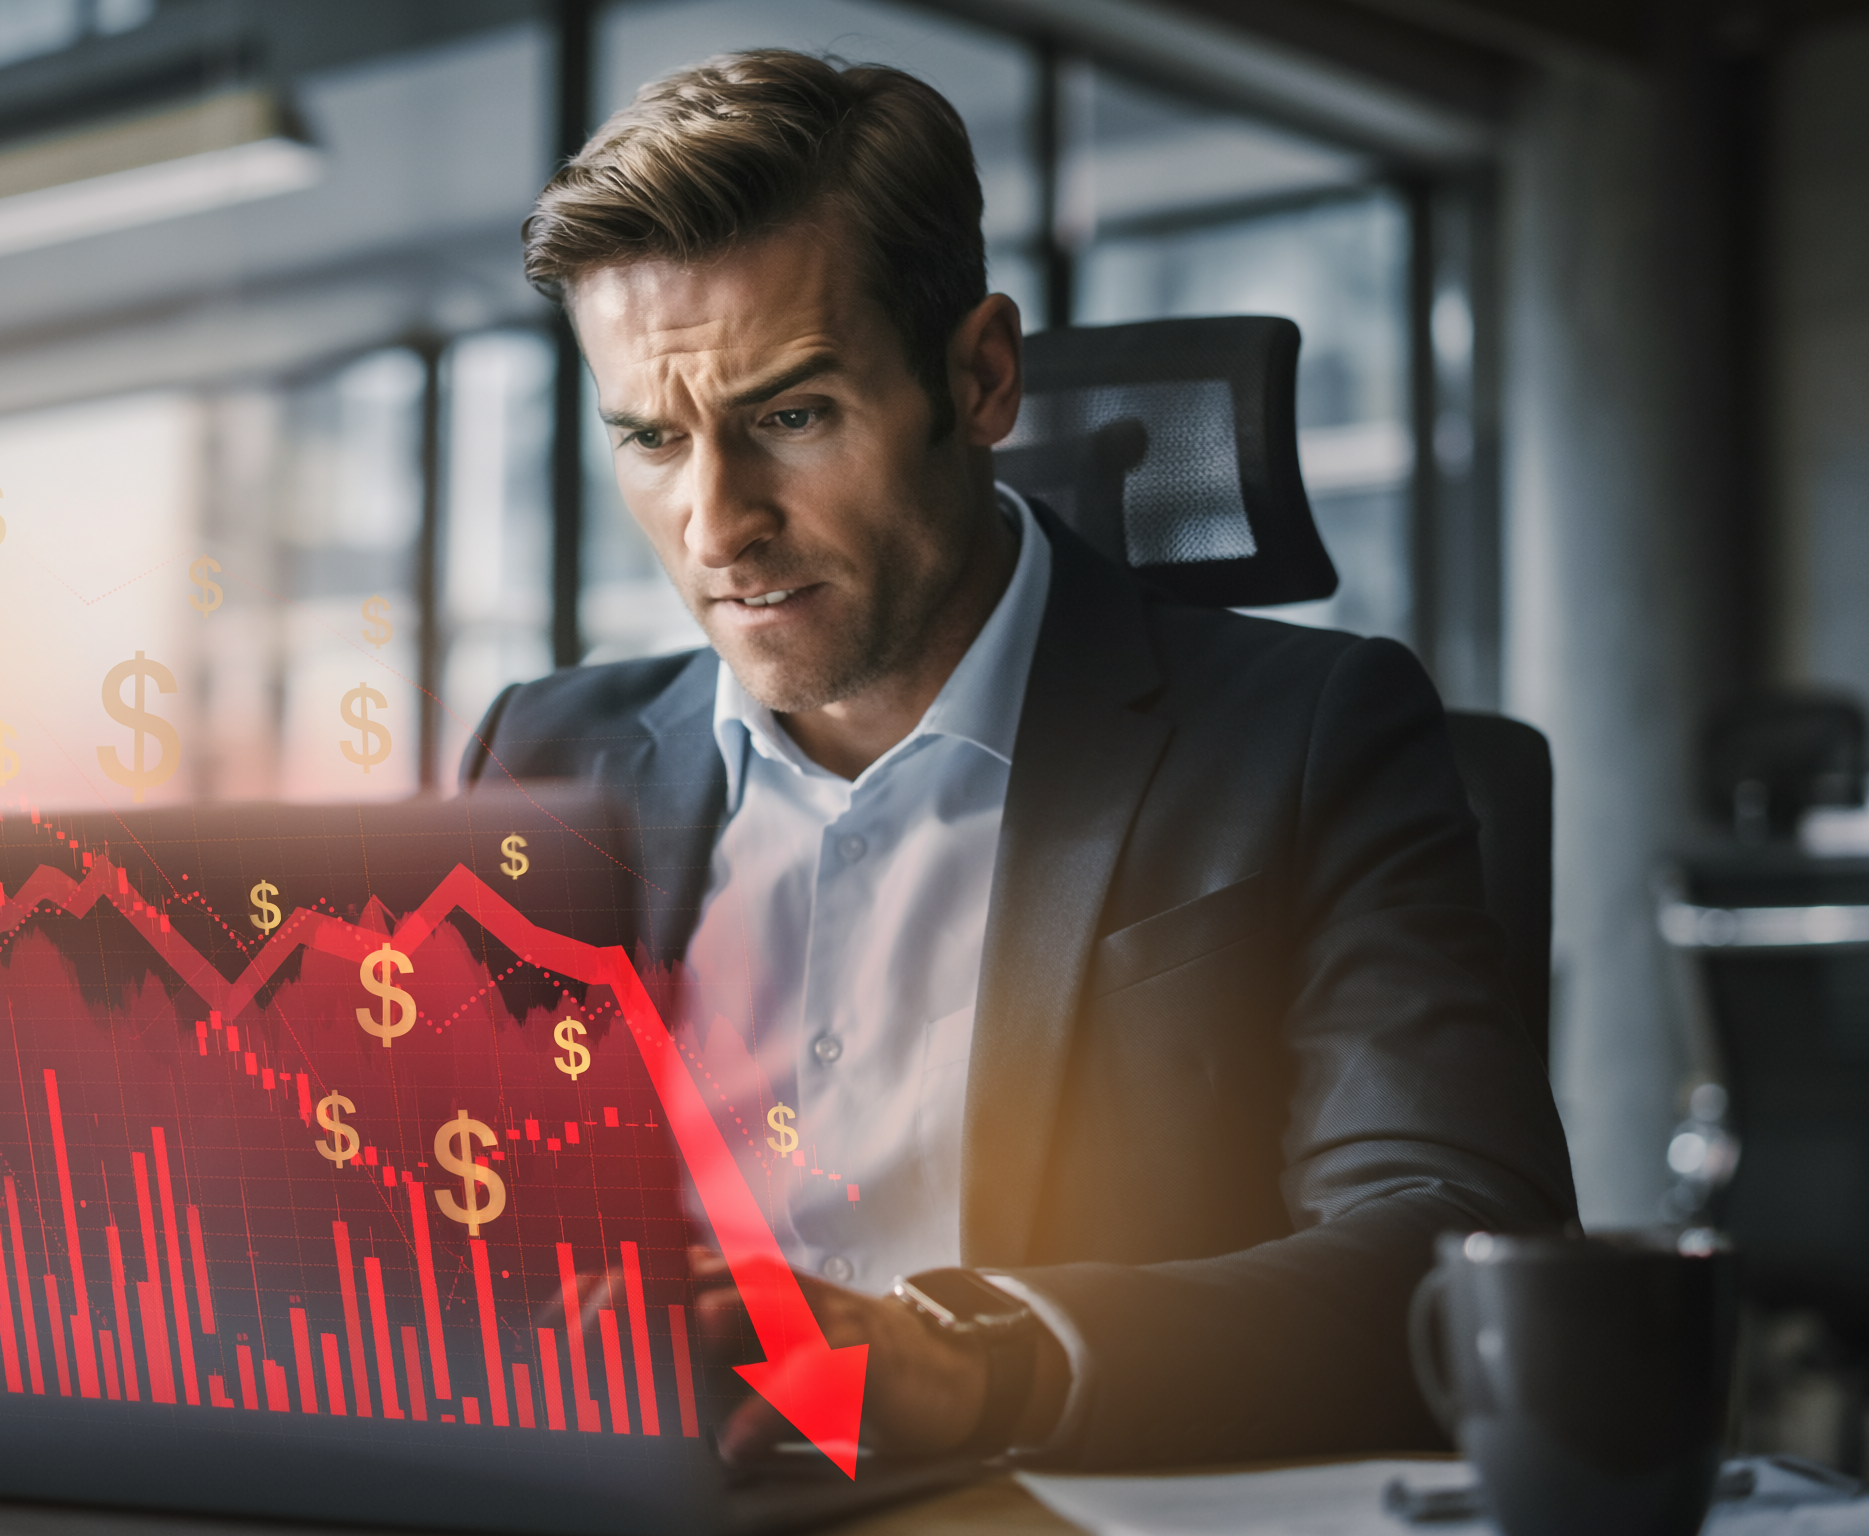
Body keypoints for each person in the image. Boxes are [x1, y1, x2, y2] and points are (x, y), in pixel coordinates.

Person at [463, 49, 1575, 1470]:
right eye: (648, 439)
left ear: (981, 376)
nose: (715, 522)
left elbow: (1457, 1250)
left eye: (792, 417)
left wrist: (974, 1360)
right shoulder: (544, 761)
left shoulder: (1306, 738)